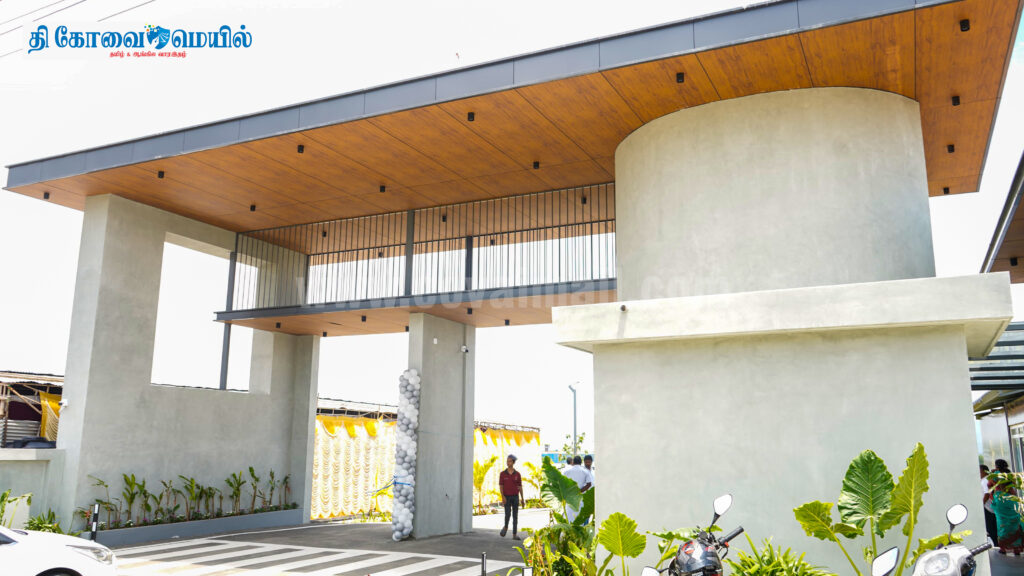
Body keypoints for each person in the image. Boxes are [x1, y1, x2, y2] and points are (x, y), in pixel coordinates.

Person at [498, 454, 525, 539]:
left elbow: (520, 487)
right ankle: (506, 527)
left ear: (513, 462)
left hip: (515, 497)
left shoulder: (518, 474)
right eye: (507, 461)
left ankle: (514, 534)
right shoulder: (502, 474)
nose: (508, 463)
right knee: (507, 514)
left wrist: (522, 499)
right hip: (506, 497)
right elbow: (501, 486)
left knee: (515, 516)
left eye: (509, 461)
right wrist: (502, 496)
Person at [564, 455, 593, 522]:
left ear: (573, 462)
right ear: (581, 462)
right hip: (581, 498)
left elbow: (563, 483)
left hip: (570, 497)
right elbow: (589, 484)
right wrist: (579, 491)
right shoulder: (585, 472)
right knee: (580, 519)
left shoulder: (567, 471)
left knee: (570, 517)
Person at [982, 464, 998, 544]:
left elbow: (987, 493)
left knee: (991, 528)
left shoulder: (985, 480)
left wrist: (982, 504)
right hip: (990, 507)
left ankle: (996, 543)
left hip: (988, 508)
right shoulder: (986, 479)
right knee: (992, 528)